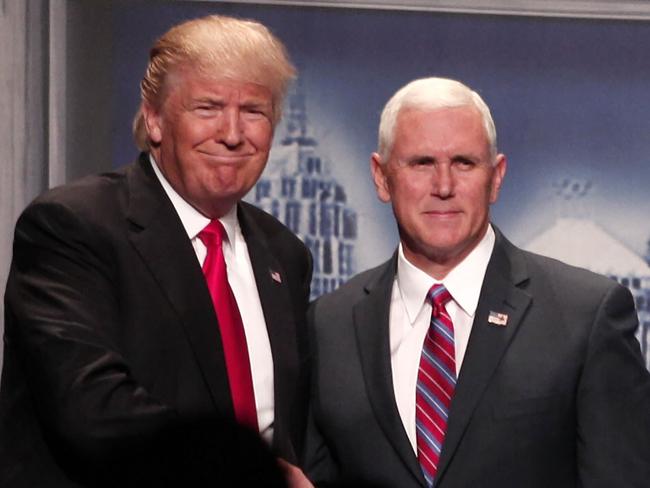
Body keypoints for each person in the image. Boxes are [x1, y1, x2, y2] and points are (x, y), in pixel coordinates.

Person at [0, 15, 314, 487]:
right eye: (208, 107)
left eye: (254, 111)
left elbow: (288, 426)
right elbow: (94, 411)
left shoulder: (284, 254)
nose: (232, 133)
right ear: (154, 118)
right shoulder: (74, 226)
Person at [304, 77, 650, 487]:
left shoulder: (586, 316)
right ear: (381, 177)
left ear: (497, 177)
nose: (444, 186)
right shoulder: (329, 324)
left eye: (464, 163)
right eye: (422, 163)